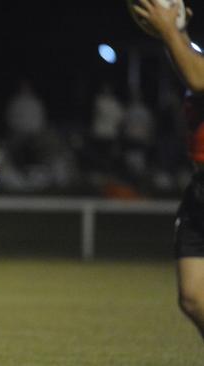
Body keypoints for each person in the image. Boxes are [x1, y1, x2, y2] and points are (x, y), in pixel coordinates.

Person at [133, 0, 204, 341]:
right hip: (199, 187)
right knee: (192, 297)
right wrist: (176, 33)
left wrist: (169, 30)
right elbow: (190, 64)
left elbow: (196, 75)